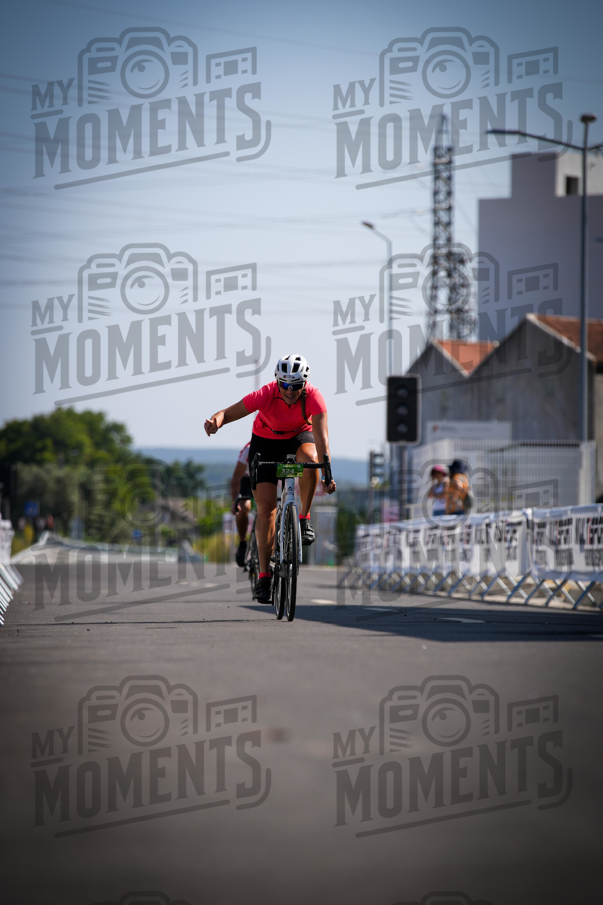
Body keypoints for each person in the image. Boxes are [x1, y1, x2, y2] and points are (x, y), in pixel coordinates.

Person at [205, 354, 336, 603]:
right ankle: (264, 576)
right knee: (266, 511)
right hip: (265, 442)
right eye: (284, 385)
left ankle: (304, 519)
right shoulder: (266, 393)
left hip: (299, 437)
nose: (289, 391)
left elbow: (322, 437)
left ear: (304, 384)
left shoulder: (314, 396)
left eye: (296, 386)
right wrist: (216, 421)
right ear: (277, 382)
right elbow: (231, 412)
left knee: (310, 459)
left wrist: (327, 474)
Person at [230, 441, 252, 567]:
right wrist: (235, 503)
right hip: (248, 479)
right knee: (244, 508)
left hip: (269, 477)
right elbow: (236, 478)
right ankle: (243, 543)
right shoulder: (248, 450)